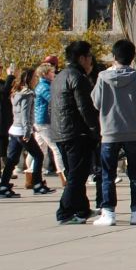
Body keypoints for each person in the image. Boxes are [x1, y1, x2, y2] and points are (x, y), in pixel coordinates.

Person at [90, 39, 136, 226]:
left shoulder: (102, 78)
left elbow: (96, 102)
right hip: (133, 131)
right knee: (135, 173)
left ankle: (108, 212)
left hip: (109, 131)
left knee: (108, 174)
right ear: (132, 57)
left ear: (114, 56)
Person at [50, 40, 98, 224]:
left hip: (61, 132)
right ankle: (65, 212)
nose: (91, 61)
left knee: (75, 174)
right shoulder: (77, 77)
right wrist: (95, 130)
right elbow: (85, 108)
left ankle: (81, 209)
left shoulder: (60, 76)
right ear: (81, 58)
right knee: (77, 176)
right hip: (76, 133)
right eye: (89, 56)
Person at [0, 67, 50, 198]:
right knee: (38, 156)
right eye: (34, 78)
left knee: (12, 160)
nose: (36, 80)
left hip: (14, 130)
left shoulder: (16, 92)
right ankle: (37, 184)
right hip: (22, 130)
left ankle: (3, 186)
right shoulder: (27, 94)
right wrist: (28, 131)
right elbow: (25, 114)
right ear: (29, 79)